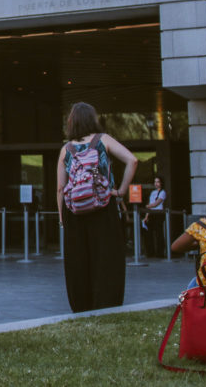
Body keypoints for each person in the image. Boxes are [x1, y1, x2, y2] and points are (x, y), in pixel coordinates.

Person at [56, 102, 138, 313]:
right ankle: (106, 304)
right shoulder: (103, 140)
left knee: (78, 261)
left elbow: (60, 188)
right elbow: (132, 160)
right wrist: (120, 191)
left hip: (74, 212)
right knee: (107, 258)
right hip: (103, 206)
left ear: (72, 122)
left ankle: (81, 306)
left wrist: (62, 218)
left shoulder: (66, 149)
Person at [142, 176, 167, 258]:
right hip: (151, 213)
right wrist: (146, 216)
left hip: (159, 213)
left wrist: (148, 206)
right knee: (148, 232)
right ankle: (150, 252)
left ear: (161, 183)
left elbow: (156, 203)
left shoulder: (163, 192)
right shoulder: (153, 192)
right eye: (155, 182)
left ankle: (160, 252)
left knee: (158, 233)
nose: (156, 184)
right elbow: (150, 204)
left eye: (158, 182)